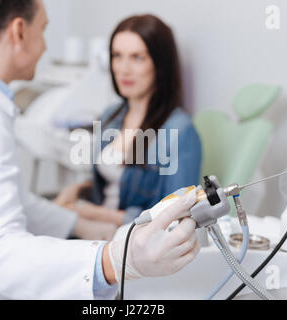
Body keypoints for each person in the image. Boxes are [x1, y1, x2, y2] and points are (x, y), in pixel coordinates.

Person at [0, 0, 201, 300]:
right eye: (43, 30)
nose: (45, 46)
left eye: (137, 57)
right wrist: (112, 260)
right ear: (19, 31)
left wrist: (79, 221)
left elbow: (2, 199)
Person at [56, 15, 202, 227]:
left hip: (132, 242)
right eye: (117, 56)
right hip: (97, 230)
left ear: (160, 65)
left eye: (137, 58)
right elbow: (113, 184)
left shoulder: (180, 131)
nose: (123, 69)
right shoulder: (110, 116)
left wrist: (92, 213)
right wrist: (78, 190)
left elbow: (177, 217)